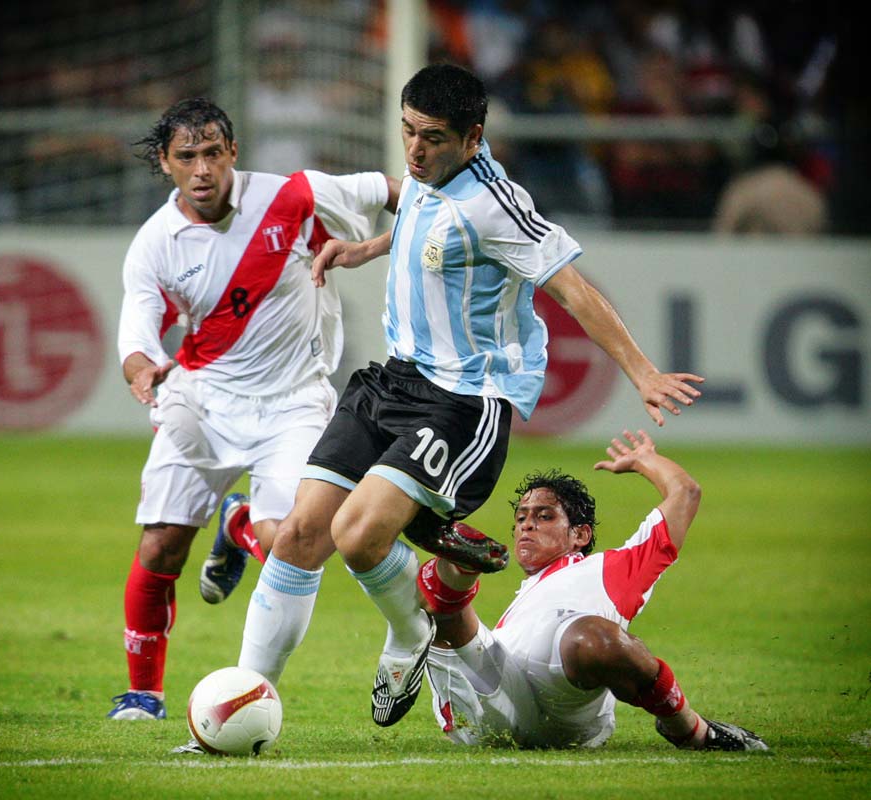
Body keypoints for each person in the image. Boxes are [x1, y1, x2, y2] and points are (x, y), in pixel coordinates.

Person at [216, 62, 704, 733]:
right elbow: (426, 225)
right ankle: (244, 700)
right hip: (393, 380)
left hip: (462, 401)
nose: (415, 150)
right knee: (300, 534)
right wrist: (370, 248)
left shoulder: (498, 204)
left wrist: (642, 373)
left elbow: (574, 292)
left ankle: (410, 631)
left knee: (356, 535)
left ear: (473, 138)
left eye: (433, 137)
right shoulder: (429, 172)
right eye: (408, 131)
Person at [107, 97, 399, 720]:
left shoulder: (292, 196)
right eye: (187, 156)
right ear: (165, 163)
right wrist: (141, 368)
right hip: (202, 402)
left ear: (233, 152)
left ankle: (243, 524)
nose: (202, 169)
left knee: (296, 542)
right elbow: (138, 326)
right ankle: (143, 695)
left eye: (213, 153)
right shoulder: (155, 243)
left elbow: (388, 188)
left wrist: (443, 219)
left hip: (294, 402)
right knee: (161, 547)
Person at [420, 429, 768, 751]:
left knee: (595, 637)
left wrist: (645, 461)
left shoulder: (610, 568)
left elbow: (686, 493)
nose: (527, 525)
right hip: (491, 709)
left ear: (580, 535)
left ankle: (690, 730)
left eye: (544, 516)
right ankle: (450, 582)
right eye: (522, 517)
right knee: (432, 599)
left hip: (569, 715)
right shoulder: (522, 601)